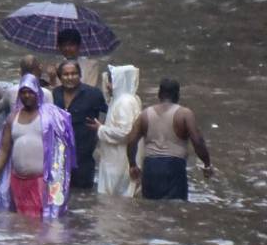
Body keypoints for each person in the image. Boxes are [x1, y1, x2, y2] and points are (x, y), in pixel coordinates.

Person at [0, 74, 76, 218]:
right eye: (23, 92)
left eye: (30, 92)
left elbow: (63, 148)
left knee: (41, 222)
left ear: (38, 92)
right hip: (17, 181)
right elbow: (3, 149)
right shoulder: (12, 118)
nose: (27, 95)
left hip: (42, 182)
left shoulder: (50, 116)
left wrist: (58, 178)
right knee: (21, 222)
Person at [124, 79, 213, 201]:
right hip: (174, 167)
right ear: (178, 95)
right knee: (175, 210)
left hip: (150, 168)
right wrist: (207, 164)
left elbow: (131, 141)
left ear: (159, 94)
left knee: (150, 209)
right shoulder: (184, 114)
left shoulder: (145, 114)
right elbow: (197, 141)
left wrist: (132, 165)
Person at [53, 60, 108, 191]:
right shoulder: (55, 94)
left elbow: (109, 113)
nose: (70, 77)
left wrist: (101, 128)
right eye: (66, 74)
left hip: (83, 159)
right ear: (60, 77)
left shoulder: (93, 94)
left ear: (80, 75)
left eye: (74, 73)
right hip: (59, 158)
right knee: (58, 195)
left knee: (83, 199)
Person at [88, 65, 142, 196]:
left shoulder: (125, 102)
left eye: (112, 82)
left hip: (119, 159)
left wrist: (100, 129)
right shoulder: (124, 99)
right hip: (115, 158)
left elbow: (125, 132)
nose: (108, 86)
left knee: (116, 197)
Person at [0, 55, 53, 120]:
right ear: (39, 70)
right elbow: (52, 119)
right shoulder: (47, 94)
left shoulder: (12, 91)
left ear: (21, 72)